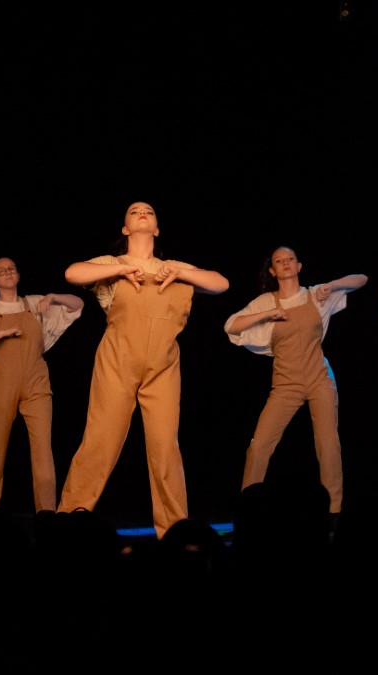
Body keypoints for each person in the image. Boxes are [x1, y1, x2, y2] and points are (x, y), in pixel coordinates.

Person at [56, 201, 229, 539]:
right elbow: (72, 273)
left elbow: (220, 283)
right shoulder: (112, 263)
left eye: (148, 210)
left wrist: (180, 273)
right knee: (100, 442)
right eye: (134, 211)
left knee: (165, 448)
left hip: (163, 365)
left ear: (157, 228)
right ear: (125, 229)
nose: (142, 213)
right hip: (118, 359)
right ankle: (67, 524)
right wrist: (120, 271)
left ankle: (175, 531)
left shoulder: (174, 267)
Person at [223, 246, 367, 517]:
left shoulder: (316, 294)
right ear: (272, 270)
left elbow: (362, 279)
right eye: (279, 261)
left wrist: (333, 285)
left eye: (290, 259)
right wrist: (267, 315)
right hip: (286, 383)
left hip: (319, 377)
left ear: (299, 266)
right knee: (259, 445)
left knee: (328, 445)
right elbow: (231, 325)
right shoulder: (266, 302)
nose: (286, 263)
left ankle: (333, 512)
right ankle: (248, 511)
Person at [0, 257, 85, 513]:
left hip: (36, 382)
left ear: (18, 276)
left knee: (43, 449)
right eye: (0, 271)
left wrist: (53, 297)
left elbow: (78, 304)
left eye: (11, 269)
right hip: (1, 385)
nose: (7, 273)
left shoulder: (34, 304)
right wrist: (1, 333)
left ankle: (47, 512)